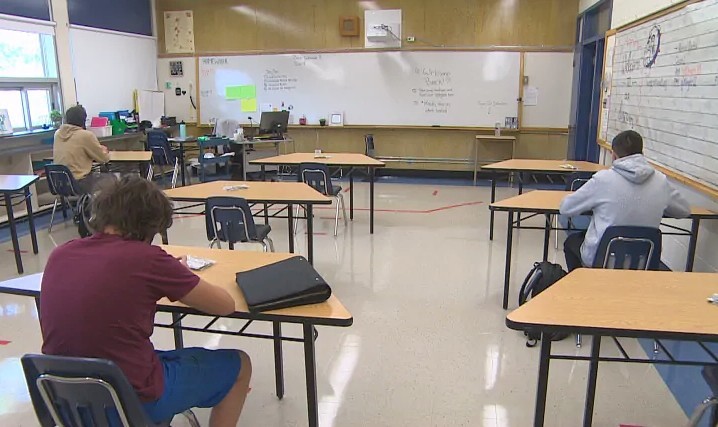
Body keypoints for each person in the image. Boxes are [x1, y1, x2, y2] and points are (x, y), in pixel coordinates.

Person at [40, 176, 252, 426]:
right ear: (150, 224)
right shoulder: (148, 258)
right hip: (127, 399)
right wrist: (180, 276)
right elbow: (225, 305)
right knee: (240, 364)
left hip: (64, 399)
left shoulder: (60, 253)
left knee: (158, 356)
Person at [560, 130, 691, 271]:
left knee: (571, 243)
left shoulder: (603, 179)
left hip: (602, 260)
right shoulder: (661, 181)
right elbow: (684, 211)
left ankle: (579, 285)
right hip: (644, 262)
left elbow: (566, 208)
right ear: (641, 153)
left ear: (614, 154)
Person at [53, 105, 111, 193]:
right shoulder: (86, 135)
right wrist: (103, 150)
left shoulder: (57, 134)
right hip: (79, 183)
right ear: (83, 120)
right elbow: (104, 159)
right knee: (112, 179)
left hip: (59, 183)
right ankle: (99, 206)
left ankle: (86, 204)